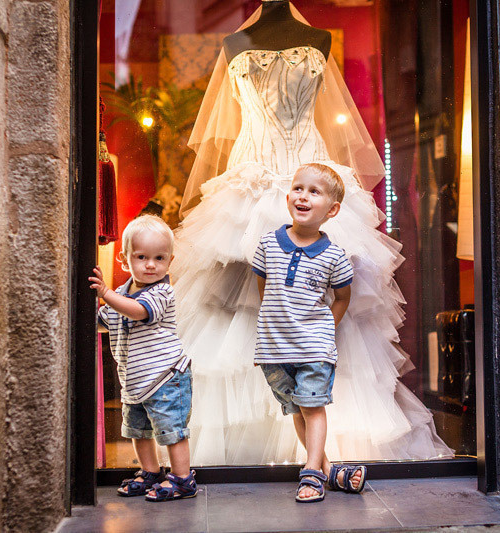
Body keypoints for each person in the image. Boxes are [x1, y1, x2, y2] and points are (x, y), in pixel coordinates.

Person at [171, 2, 454, 465]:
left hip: (312, 165)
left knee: (325, 292)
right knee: (240, 303)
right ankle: (254, 440)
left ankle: (322, 449)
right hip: (252, 175)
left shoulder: (319, 40)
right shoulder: (233, 43)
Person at [252, 163, 367, 502]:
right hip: (274, 350)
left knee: (313, 407)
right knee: (299, 410)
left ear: (331, 210)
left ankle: (312, 474)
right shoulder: (267, 244)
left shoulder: (334, 256)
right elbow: (265, 290)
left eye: (314, 192)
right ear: (288, 195)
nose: (303, 196)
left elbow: (342, 298)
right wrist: (278, 325)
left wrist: (322, 331)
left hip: (314, 349)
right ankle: (332, 473)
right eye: (298, 188)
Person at [89, 215, 196, 501]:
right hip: (135, 381)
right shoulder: (122, 294)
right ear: (125, 260)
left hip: (165, 377)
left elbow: (137, 311)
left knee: (171, 430)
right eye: (142, 257)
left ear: (169, 261)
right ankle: (150, 472)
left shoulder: (162, 292)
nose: (151, 264)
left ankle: (183, 479)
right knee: (138, 430)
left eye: (159, 258)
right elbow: (104, 319)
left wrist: (105, 293)